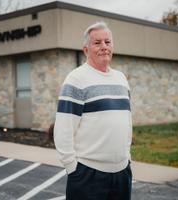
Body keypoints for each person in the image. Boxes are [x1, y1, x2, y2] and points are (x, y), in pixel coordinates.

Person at [54, 21, 132, 200]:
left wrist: (127, 158)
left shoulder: (121, 79)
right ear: (86, 50)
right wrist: (73, 169)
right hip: (88, 177)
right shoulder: (76, 80)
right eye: (97, 43)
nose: (104, 47)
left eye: (107, 42)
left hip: (122, 175)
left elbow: (127, 122)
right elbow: (63, 131)